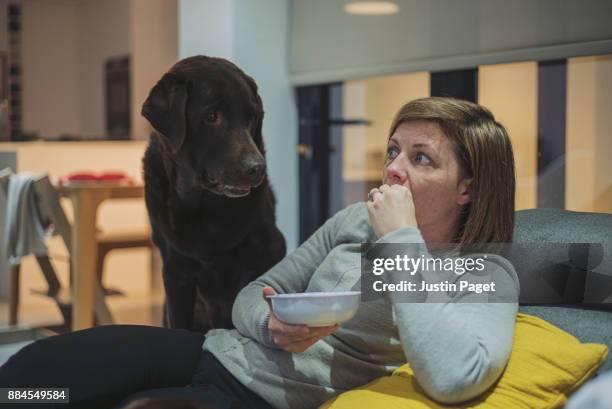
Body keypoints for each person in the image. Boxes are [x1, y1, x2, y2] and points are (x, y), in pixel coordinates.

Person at [0, 97, 519, 409]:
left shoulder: (485, 272)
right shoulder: (353, 221)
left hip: (267, 398)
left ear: (467, 189)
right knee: (33, 380)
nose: (393, 169)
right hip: (211, 350)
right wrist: (270, 323)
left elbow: (453, 379)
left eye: (420, 158)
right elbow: (256, 291)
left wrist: (402, 240)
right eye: (392, 151)